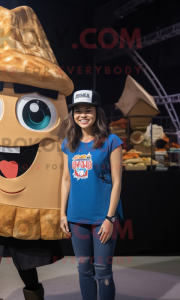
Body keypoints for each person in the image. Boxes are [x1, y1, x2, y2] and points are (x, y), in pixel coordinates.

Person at [60, 89, 124, 300]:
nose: (83, 115)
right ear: (73, 115)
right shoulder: (68, 143)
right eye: (78, 111)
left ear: (97, 112)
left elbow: (117, 183)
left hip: (102, 217)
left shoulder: (111, 141)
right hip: (77, 216)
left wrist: (109, 218)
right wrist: (62, 214)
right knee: (84, 269)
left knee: (103, 271)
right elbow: (66, 180)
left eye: (88, 110)